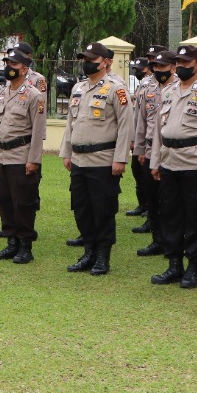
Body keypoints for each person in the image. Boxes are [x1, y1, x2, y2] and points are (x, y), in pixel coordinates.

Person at [149, 45, 197, 289]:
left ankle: (192, 268)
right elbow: (159, 131)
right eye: (179, 62)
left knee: (196, 218)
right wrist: (155, 161)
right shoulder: (169, 91)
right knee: (170, 216)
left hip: (195, 165)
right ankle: (174, 265)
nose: (181, 66)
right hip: (169, 162)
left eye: (186, 62)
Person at [59, 42, 133, 275]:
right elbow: (71, 123)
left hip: (103, 159)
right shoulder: (78, 88)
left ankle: (102, 256)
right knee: (81, 208)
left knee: (103, 210)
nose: (87, 63)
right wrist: (67, 152)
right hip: (79, 159)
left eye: (92, 59)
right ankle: (88, 252)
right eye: (85, 59)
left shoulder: (116, 89)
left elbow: (126, 125)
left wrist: (120, 158)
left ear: (107, 62)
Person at [0, 45, 47, 263]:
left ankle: (25, 246)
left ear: (24, 69)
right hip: (3, 156)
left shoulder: (34, 95)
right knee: (4, 199)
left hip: (21, 156)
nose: (8, 67)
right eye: (7, 63)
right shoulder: (2, 94)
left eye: (13, 64)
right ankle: (11, 242)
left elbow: (38, 130)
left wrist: (33, 160)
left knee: (23, 203)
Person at [130, 44, 169, 253]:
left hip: (171, 151)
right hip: (149, 148)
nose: (154, 65)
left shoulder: (179, 86)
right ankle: (157, 238)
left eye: (158, 62)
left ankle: (171, 240)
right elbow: (140, 120)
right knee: (152, 197)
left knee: (169, 199)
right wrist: (139, 149)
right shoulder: (147, 87)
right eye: (152, 62)